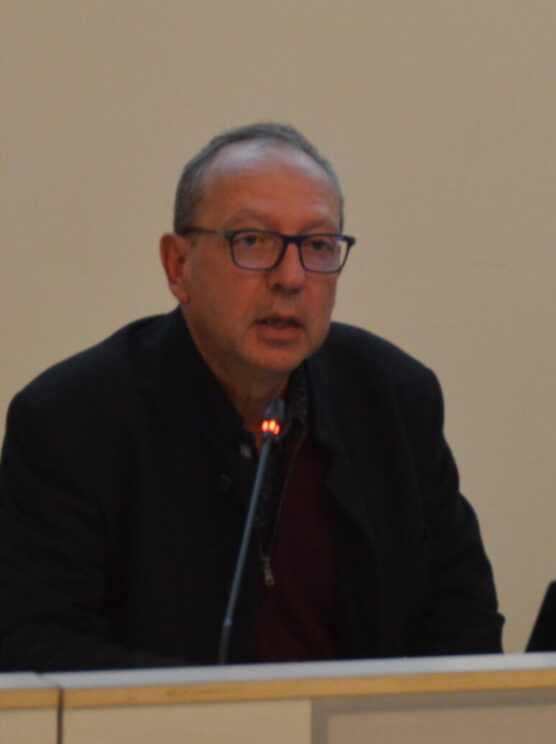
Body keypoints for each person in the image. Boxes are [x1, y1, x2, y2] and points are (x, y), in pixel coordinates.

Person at [0, 123, 503, 670]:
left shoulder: (393, 398)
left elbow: (464, 625)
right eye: (254, 242)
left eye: (317, 245)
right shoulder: (71, 422)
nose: (291, 277)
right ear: (177, 266)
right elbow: (37, 645)